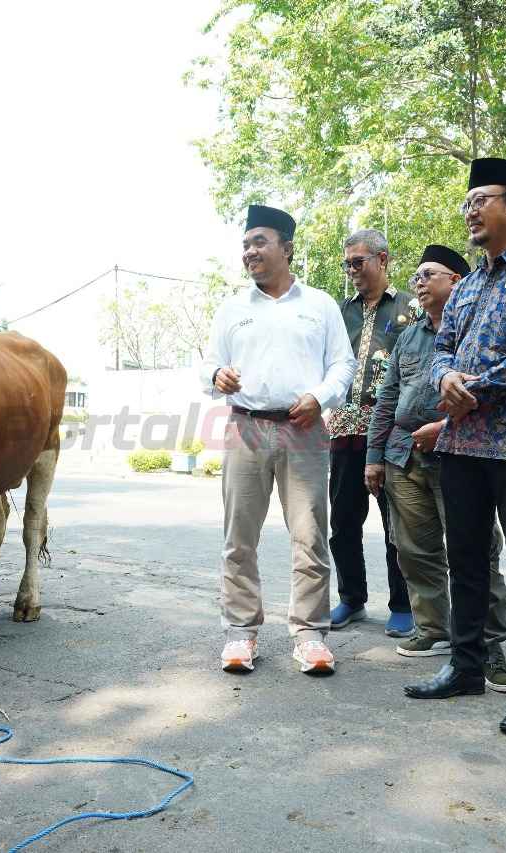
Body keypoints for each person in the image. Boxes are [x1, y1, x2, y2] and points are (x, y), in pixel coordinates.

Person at [404, 158, 506, 736]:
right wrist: (446, 377)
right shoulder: (469, 284)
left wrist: (473, 390)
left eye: (481, 200)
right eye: (467, 203)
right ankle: (466, 666)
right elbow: (442, 348)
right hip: (461, 445)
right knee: (468, 563)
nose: (471, 211)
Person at [202, 204, 355, 676]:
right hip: (245, 428)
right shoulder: (232, 309)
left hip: (303, 429)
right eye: (246, 245)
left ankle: (310, 635)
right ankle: (240, 632)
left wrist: (319, 397)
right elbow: (208, 365)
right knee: (239, 536)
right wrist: (217, 375)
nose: (250, 252)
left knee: (310, 536)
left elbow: (343, 365)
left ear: (286, 249)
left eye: (259, 242)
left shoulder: (320, 305)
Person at [365, 244, 506, 692]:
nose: (418, 282)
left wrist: (445, 428)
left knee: (476, 554)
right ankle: (433, 629)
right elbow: (387, 398)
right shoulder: (409, 336)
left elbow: (494, 394)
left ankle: (488, 644)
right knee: (414, 550)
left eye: (428, 274)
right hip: (403, 455)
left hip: (460, 454)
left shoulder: (477, 330)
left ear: (457, 281)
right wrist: (373, 457)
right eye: (416, 275)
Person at [327, 228, 411, 637]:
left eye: (358, 262)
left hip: (392, 433)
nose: (352, 271)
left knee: (397, 524)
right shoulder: (340, 313)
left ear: (383, 259)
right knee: (343, 521)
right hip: (344, 430)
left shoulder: (410, 309)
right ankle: (351, 598)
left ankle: (403, 604)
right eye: (347, 264)